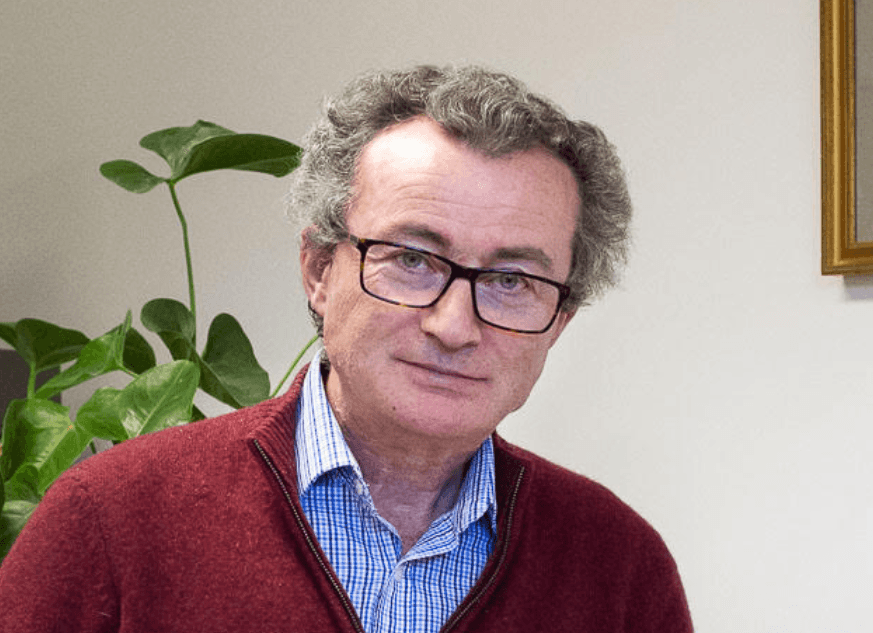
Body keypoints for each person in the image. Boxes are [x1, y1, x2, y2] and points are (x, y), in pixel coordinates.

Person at [0, 65, 693, 632]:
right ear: (319, 270)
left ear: (560, 319)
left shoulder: (620, 567)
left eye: (512, 280)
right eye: (412, 259)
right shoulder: (110, 519)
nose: (454, 325)